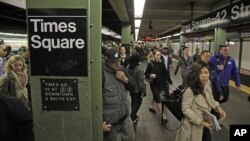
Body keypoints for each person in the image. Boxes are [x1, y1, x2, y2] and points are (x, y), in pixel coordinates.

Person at [175, 63, 226, 141]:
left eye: (206, 72)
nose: (204, 75)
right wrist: (200, 122)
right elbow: (185, 109)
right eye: (200, 73)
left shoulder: (207, 83)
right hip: (193, 125)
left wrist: (218, 108)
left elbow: (210, 98)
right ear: (194, 74)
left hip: (205, 123)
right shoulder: (189, 90)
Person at [102, 48, 135, 141]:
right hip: (110, 122)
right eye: (113, 62)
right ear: (107, 62)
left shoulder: (123, 69)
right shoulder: (101, 75)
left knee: (131, 138)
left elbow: (133, 89)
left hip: (125, 117)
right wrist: (101, 122)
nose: (117, 64)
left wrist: (125, 80)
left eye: (119, 61)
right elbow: (95, 100)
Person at [145, 50, 173, 124]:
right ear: (154, 55)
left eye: (159, 55)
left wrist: (170, 82)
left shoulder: (162, 64)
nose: (159, 56)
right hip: (153, 84)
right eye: (157, 55)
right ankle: (163, 116)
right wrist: (150, 75)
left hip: (160, 84)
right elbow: (146, 73)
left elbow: (166, 73)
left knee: (155, 96)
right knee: (158, 99)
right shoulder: (150, 64)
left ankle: (151, 106)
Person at [126, 52, 145, 124]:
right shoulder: (139, 69)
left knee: (133, 102)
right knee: (139, 103)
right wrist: (143, 90)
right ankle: (132, 116)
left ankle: (134, 117)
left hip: (131, 88)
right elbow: (141, 81)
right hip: (138, 90)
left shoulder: (128, 67)